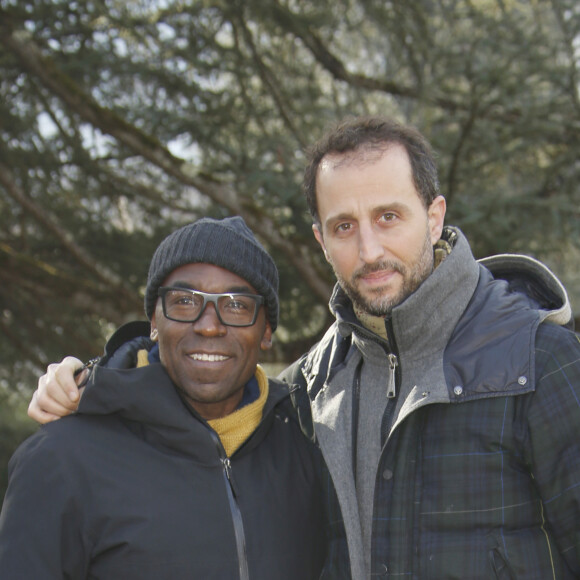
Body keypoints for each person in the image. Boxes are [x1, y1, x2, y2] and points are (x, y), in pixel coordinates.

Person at [27, 117, 580, 579]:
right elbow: (210, 399)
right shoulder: (312, 389)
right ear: (320, 239)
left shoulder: (542, 362)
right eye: (343, 226)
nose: (369, 249)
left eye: (388, 217)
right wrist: (93, 381)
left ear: (434, 217)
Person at [0, 216, 326, 579]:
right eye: (185, 301)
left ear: (265, 331)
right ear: (154, 321)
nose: (209, 325)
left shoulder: (305, 448)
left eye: (236, 304)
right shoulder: (61, 459)